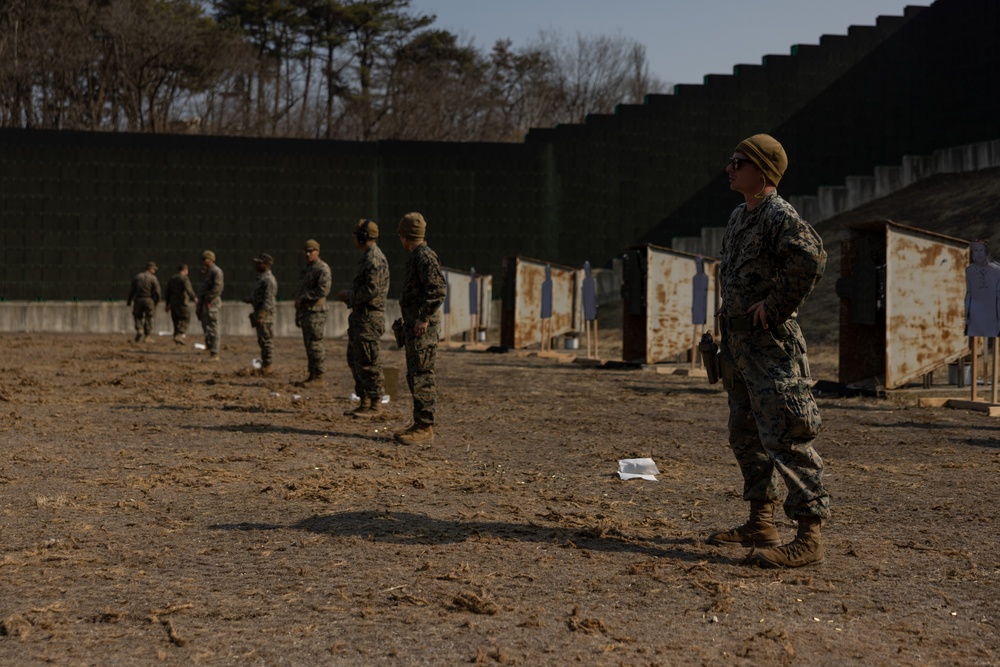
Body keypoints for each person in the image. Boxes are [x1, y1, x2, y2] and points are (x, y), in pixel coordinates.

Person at [706, 134, 830, 568]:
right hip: (740, 347)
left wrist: (776, 306)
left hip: (771, 348)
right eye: (731, 159)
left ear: (762, 172)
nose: (730, 167)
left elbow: (812, 258)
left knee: (787, 435)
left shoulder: (779, 215)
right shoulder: (741, 215)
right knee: (746, 435)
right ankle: (761, 522)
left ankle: (809, 536)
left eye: (739, 162)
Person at [393, 212, 446, 446]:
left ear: (407, 237)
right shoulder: (418, 257)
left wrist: (423, 318)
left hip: (422, 330)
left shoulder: (425, 257)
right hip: (415, 329)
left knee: (422, 376)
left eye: (402, 235)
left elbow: (437, 291)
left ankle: (425, 426)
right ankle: (419, 422)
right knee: (415, 375)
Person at [337, 219, 390, 418]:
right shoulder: (367, 257)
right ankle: (364, 400)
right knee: (355, 359)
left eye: (355, 234)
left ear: (362, 237)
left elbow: (371, 290)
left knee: (369, 360)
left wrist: (349, 296)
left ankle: (376, 404)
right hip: (361, 317)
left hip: (369, 318)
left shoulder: (374, 259)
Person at [294, 239, 332, 385]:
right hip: (306, 311)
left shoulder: (322, 269)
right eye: (306, 251)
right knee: (308, 344)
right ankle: (312, 374)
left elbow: (323, 290)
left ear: (318, 252)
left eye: (311, 251)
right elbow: (300, 289)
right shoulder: (306, 269)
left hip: (316, 312)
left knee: (316, 344)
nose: (308, 254)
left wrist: (304, 297)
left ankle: (320, 376)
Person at [246, 253, 278, 374]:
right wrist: (251, 299)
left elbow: (268, 301)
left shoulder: (269, 280)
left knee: (266, 341)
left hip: (265, 316)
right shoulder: (261, 278)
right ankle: (265, 363)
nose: (256, 265)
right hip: (259, 313)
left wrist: (261, 315)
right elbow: (260, 296)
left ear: (266, 264)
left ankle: (268, 365)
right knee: (262, 340)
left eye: (259, 263)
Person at [196, 250, 225, 360]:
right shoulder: (208, 271)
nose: (203, 261)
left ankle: (215, 353)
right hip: (205, 303)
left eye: (205, 259)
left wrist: (208, 299)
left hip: (212, 303)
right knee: (206, 327)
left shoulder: (216, 271)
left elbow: (217, 288)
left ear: (210, 259)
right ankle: (209, 347)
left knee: (213, 327)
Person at [126, 261, 161, 343]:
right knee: (149, 318)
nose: (154, 271)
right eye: (154, 270)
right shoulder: (153, 278)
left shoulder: (138, 277)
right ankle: (147, 336)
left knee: (137, 316)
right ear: (150, 269)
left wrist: (129, 301)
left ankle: (139, 329)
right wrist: (156, 301)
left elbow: (132, 290)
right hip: (149, 300)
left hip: (138, 299)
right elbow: (157, 292)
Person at [164, 263, 197, 345]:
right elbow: (188, 289)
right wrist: (194, 298)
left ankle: (176, 337)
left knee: (176, 320)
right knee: (186, 317)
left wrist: (167, 304)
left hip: (173, 302)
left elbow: (167, 292)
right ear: (185, 270)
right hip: (182, 302)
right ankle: (179, 334)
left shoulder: (172, 279)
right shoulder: (184, 279)